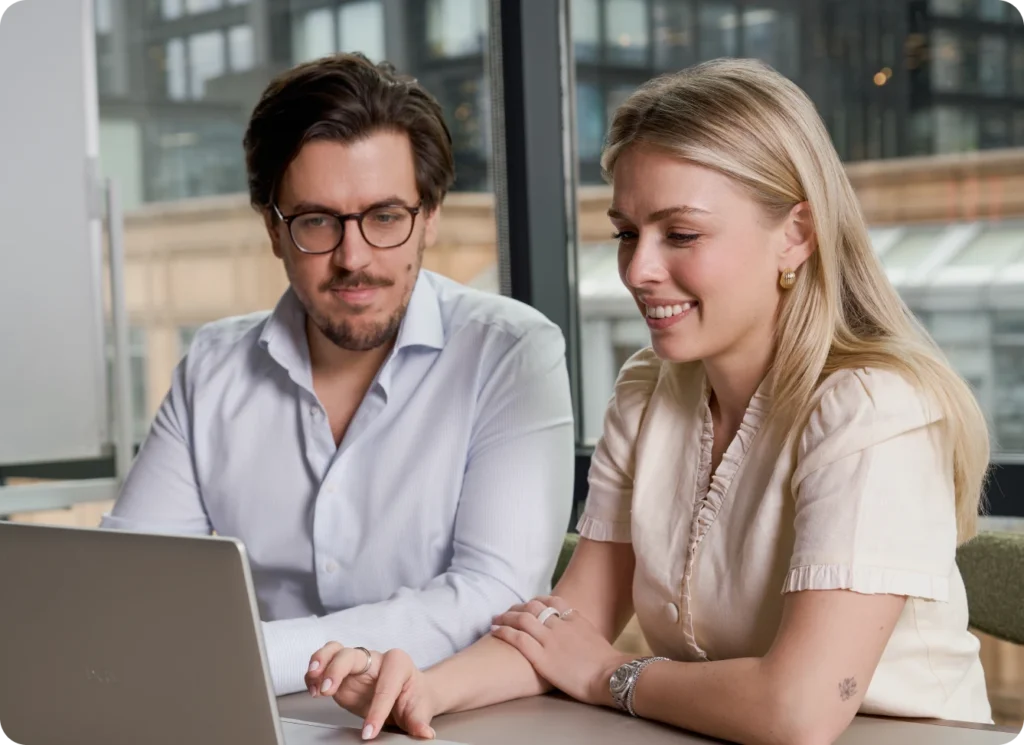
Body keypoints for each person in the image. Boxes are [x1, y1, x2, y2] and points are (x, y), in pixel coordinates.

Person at [305, 58, 993, 744]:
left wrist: (611, 674)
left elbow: (798, 709)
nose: (638, 270)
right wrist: (421, 686)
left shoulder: (874, 408)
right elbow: (569, 623)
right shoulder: (650, 389)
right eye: (627, 233)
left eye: (681, 234)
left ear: (796, 235)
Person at [100, 54, 575, 696]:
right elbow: (127, 583)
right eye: (317, 221)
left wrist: (247, 655)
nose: (353, 259)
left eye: (385, 217)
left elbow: (492, 598)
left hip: (446, 722)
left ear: (429, 216)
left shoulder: (511, 353)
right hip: (246, 720)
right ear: (274, 229)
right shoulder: (212, 367)